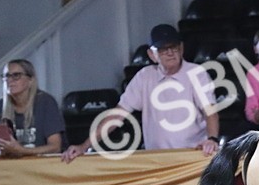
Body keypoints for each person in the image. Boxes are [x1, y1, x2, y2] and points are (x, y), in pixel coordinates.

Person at [61, 24, 219, 162]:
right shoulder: (144, 76)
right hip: (156, 159)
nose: (171, 52)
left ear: (182, 48)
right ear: (152, 55)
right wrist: (84, 146)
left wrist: (212, 139)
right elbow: (117, 115)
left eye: (174, 47)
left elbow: (210, 111)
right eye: (164, 49)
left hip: (192, 156)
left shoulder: (196, 73)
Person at [0, 58, 66, 157]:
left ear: (30, 80)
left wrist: (20, 150)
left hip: (44, 165)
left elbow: (55, 147)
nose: (9, 80)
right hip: (14, 167)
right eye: (6, 76)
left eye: (16, 76)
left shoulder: (45, 102)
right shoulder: (0, 105)